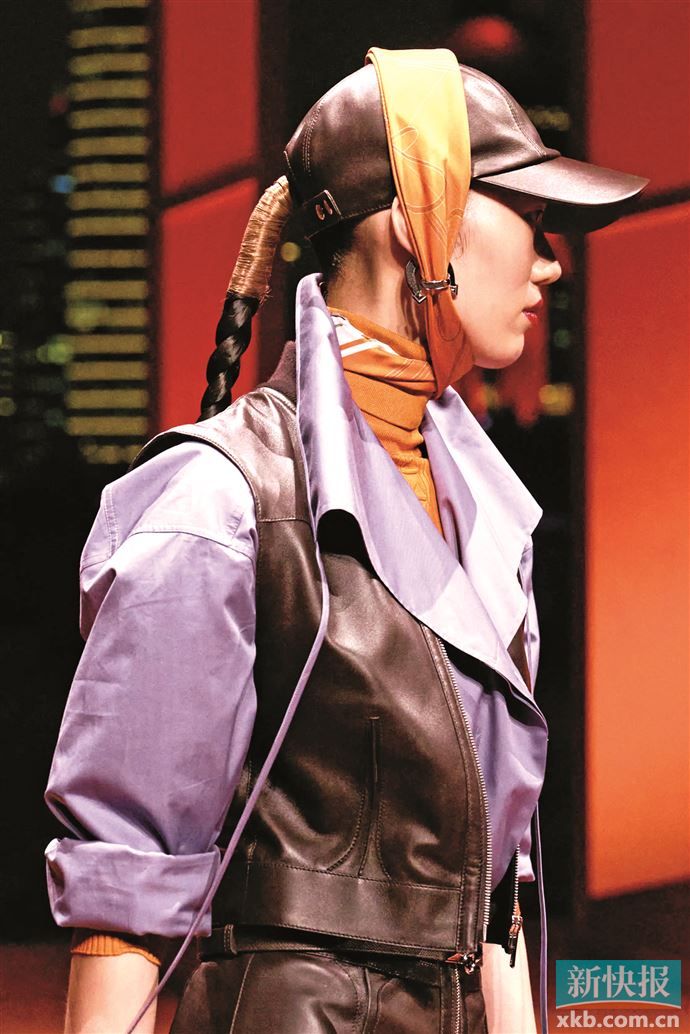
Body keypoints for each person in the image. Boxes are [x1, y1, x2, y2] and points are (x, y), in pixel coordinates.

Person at [44, 48, 648, 1034]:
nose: (551, 262)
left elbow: (494, 895)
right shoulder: (224, 497)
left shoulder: (490, 515)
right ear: (422, 219)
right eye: (528, 217)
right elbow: (128, 882)